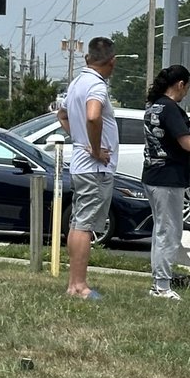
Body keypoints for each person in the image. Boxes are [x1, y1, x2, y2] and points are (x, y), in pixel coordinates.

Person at [142, 65, 190, 300]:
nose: (186, 93)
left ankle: (159, 280)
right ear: (180, 84)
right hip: (169, 177)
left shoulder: (155, 106)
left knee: (160, 230)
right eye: (187, 87)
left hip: (153, 175)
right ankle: (162, 285)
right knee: (171, 231)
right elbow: (187, 143)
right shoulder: (171, 108)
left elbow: (175, 133)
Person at [56, 37, 119, 300]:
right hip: (94, 168)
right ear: (112, 62)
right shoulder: (97, 86)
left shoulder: (76, 83)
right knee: (85, 224)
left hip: (81, 165)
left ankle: (74, 283)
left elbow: (61, 114)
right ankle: (79, 286)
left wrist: (79, 140)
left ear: (87, 58)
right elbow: (93, 115)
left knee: (77, 222)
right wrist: (94, 148)